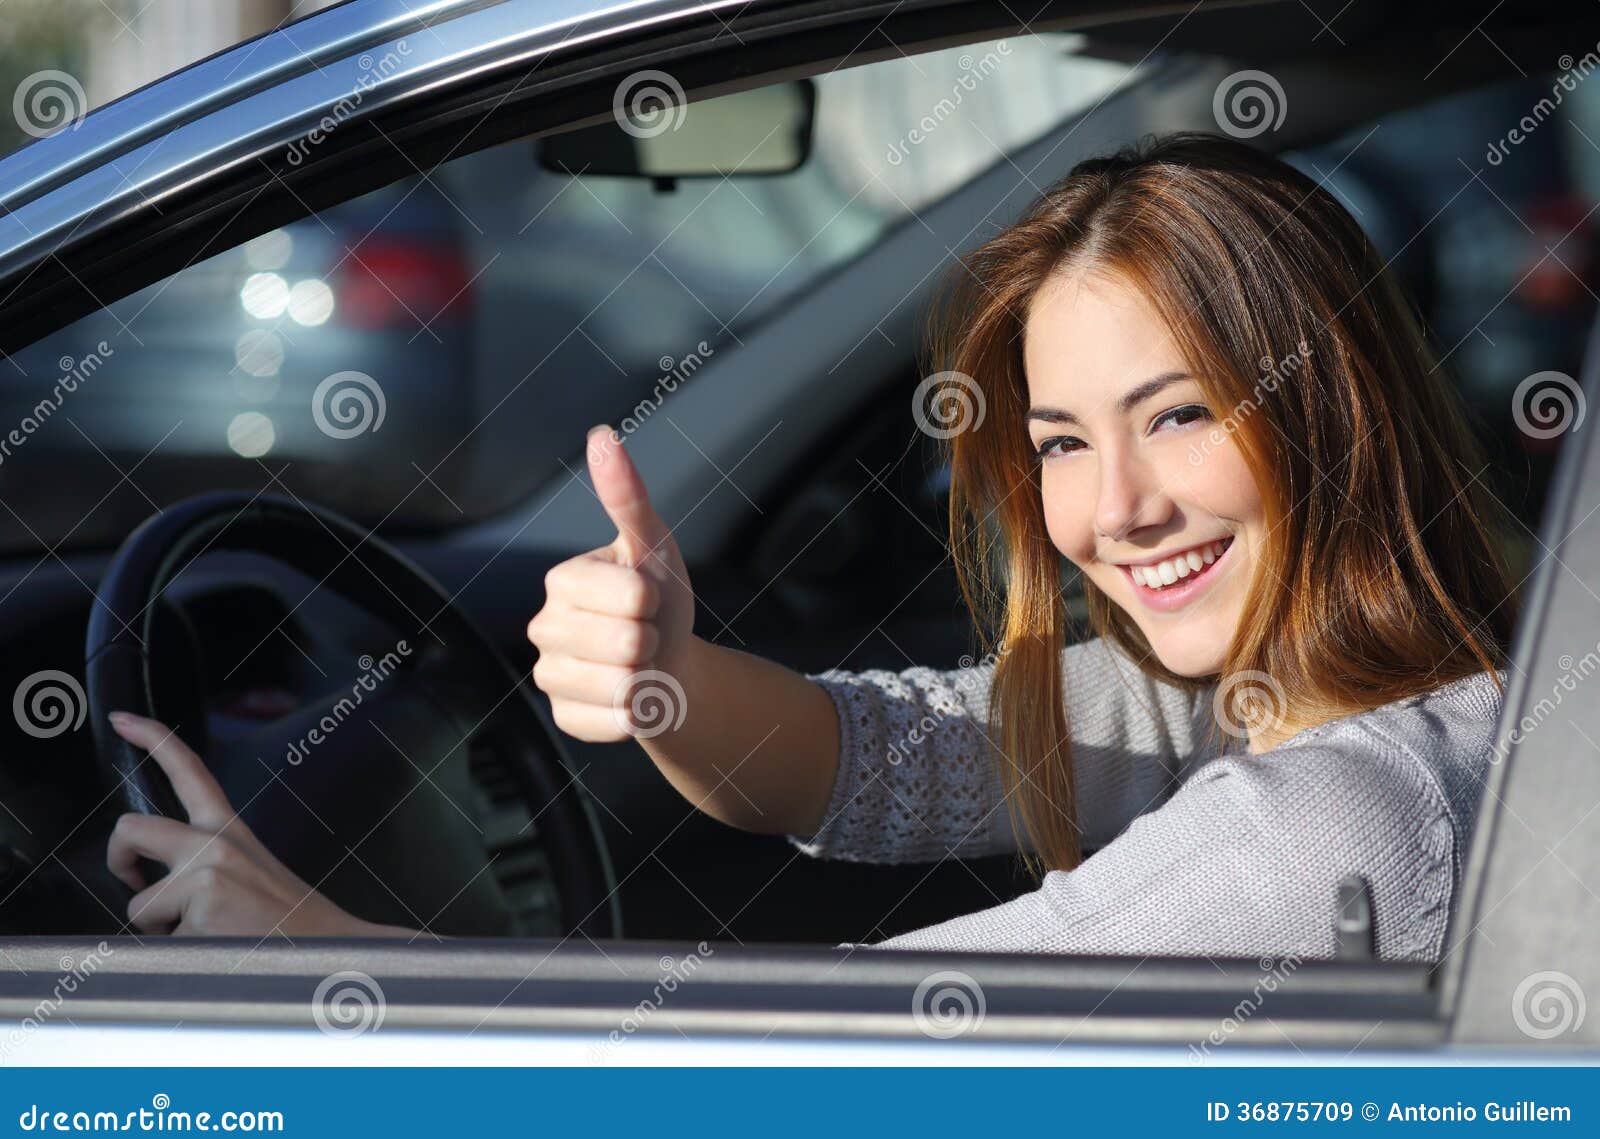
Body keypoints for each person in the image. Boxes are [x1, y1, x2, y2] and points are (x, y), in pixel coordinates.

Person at [106, 132, 1517, 959]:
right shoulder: (1316, 693)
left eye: (1184, 413)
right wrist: (667, 675)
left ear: (1331, 409)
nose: (1118, 507)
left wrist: (323, 952)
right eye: (1066, 440)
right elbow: (881, 756)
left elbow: (813, 1061)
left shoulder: (1339, 820)